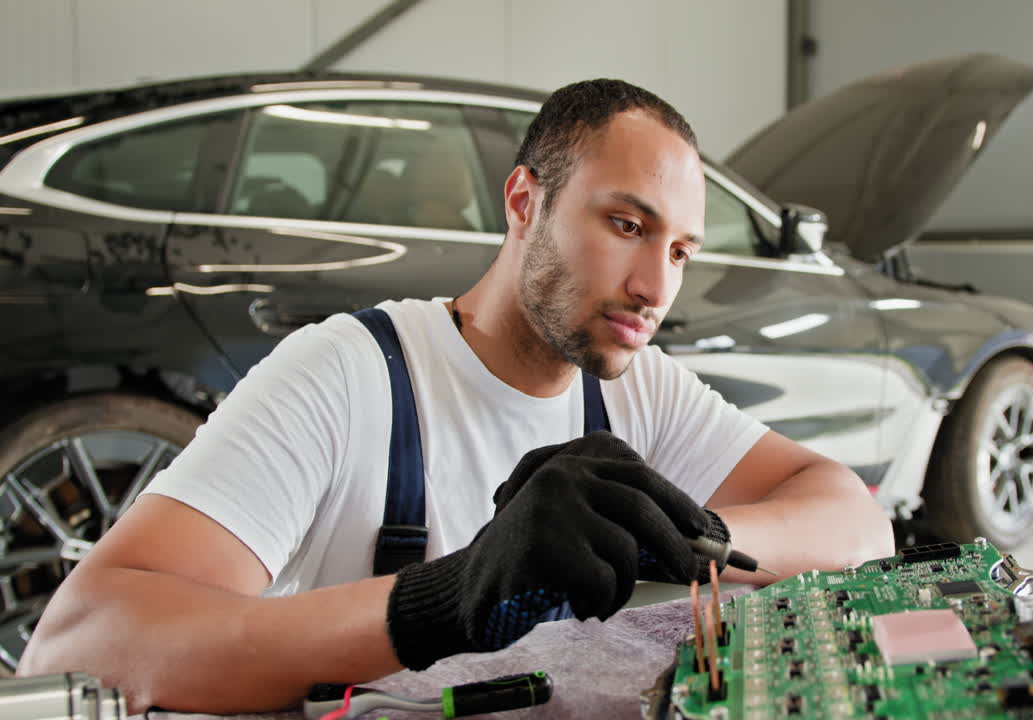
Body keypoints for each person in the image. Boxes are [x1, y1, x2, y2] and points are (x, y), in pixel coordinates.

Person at [18, 79, 893, 713]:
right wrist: (454, 592)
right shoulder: (350, 374)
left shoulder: (642, 393)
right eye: (627, 225)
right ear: (524, 201)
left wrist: (688, 536)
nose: (653, 287)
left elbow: (855, 520)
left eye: (679, 251)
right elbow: (83, 640)